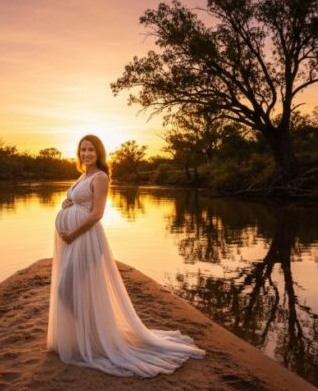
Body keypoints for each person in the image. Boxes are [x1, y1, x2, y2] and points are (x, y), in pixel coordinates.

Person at [47, 134, 205, 377]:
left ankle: (93, 337)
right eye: (83, 150)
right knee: (72, 289)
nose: (86, 154)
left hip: (85, 240)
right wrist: (67, 205)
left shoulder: (100, 177)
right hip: (74, 241)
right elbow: (79, 202)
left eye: (91, 150)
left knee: (65, 289)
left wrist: (72, 233)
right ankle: (89, 335)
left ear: (99, 153)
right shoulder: (83, 175)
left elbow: (97, 213)